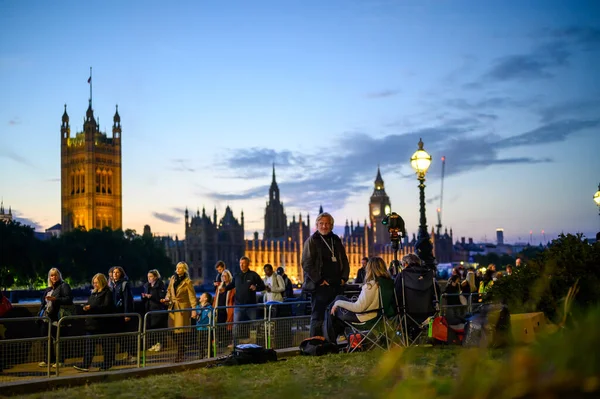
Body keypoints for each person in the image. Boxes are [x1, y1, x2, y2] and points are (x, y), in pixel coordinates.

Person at [301, 212, 350, 337]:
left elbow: (344, 260)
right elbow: (306, 264)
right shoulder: (312, 241)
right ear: (316, 225)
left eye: (327, 223)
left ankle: (331, 342)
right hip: (320, 287)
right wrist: (319, 280)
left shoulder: (336, 240)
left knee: (334, 315)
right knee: (318, 317)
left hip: (336, 285)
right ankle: (316, 344)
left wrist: (344, 278)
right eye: (321, 223)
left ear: (331, 226)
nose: (324, 226)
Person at [324, 257, 391, 343]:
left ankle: (331, 341)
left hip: (365, 319)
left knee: (332, 309)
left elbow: (359, 308)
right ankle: (338, 336)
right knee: (338, 299)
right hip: (378, 315)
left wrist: (337, 303)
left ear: (370, 269)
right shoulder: (387, 283)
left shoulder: (370, 285)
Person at [73, 273, 116, 372]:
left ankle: (107, 364)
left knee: (106, 345)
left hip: (102, 323)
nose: (95, 284)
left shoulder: (107, 293)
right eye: (94, 283)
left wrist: (92, 307)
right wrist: (85, 307)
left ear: (102, 282)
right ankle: (86, 364)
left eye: (96, 282)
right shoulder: (93, 293)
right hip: (91, 323)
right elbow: (89, 303)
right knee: (89, 345)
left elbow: (107, 307)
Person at [161, 262, 197, 362]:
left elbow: (192, 297)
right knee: (172, 330)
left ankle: (180, 354)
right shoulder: (173, 278)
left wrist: (194, 310)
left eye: (180, 268)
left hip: (182, 309)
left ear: (184, 270)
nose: (178, 269)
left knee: (180, 332)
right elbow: (169, 291)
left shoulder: (188, 282)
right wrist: (167, 298)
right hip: (173, 307)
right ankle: (182, 348)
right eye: (177, 267)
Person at [225, 257, 265, 345]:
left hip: (251, 306)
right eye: (240, 263)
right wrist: (224, 289)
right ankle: (236, 345)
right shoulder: (237, 275)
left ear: (247, 264)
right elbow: (232, 285)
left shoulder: (253, 275)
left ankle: (257, 344)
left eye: (243, 263)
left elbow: (263, 286)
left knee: (255, 325)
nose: (241, 265)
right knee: (236, 326)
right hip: (238, 306)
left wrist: (256, 288)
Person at [38, 268, 73, 368]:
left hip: (57, 317)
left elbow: (69, 299)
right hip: (46, 317)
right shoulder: (48, 289)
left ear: (59, 276)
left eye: (55, 275)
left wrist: (55, 299)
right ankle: (48, 359)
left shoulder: (64, 286)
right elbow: (43, 303)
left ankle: (60, 361)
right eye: (52, 275)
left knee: (59, 339)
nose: (54, 277)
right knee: (46, 339)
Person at [111, 266, 136, 363]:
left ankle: (132, 354)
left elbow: (127, 300)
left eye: (117, 272)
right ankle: (129, 354)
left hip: (122, 314)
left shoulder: (124, 284)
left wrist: (127, 314)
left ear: (121, 273)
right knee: (122, 336)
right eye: (114, 272)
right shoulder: (115, 284)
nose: (115, 274)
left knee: (126, 336)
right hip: (117, 314)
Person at [142, 269, 167, 352]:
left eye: (151, 276)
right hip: (149, 309)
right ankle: (153, 344)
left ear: (156, 277)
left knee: (158, 327)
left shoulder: (160, 284)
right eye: (148, 277)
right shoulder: (146, 285)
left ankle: (159, 343)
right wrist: (144, 296)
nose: (149, 278)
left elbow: (161, 297)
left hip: (157, 308)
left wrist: (151, 296)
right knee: (151, 327)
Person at [196, 292, 213, 358]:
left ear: (205, 299)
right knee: (199, 342)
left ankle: (209, 354)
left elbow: (211, 316)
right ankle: (201, 354)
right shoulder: (197, 307)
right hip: (199, 327)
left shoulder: (210, 307)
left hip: (207, 328)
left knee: (208, 342)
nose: (200, 296)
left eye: (202, 295)